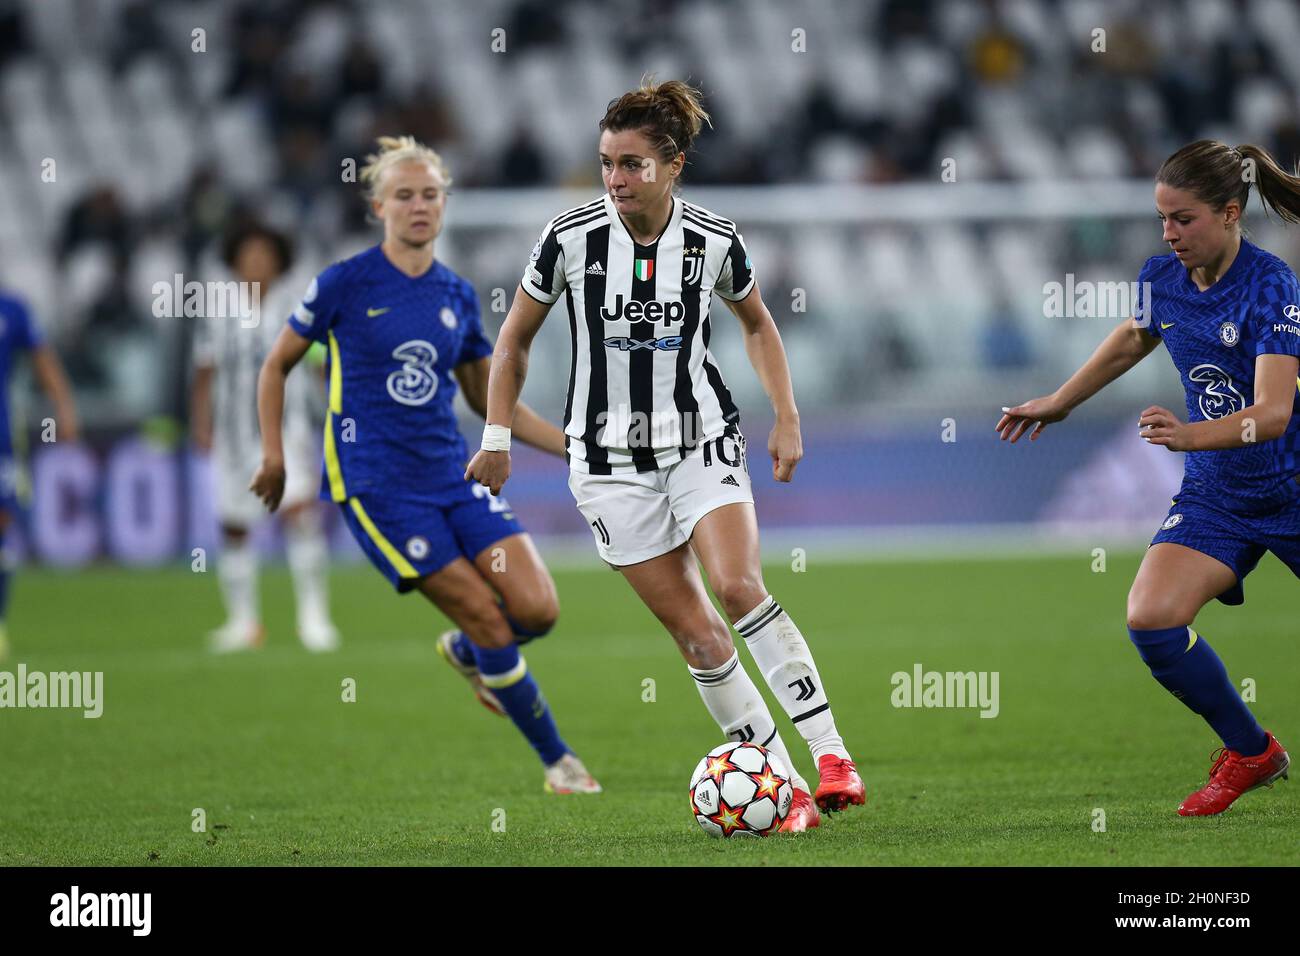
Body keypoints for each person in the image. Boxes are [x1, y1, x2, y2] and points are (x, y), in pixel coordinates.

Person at [466, 79, 862, 832]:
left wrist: (786, 417)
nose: (615, 180)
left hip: (700, 439)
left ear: (672, 166)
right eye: (607, 163)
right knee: (698, 633)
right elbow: (512, 342)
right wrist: (495, 438)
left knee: (738, 585)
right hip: (608, 466)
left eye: (632, 165)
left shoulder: (713, 238)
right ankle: (783, 788)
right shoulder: (569, 239)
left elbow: (757, 325)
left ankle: (832, 754)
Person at [251, 136, 600, 794]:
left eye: (431, 194)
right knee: (490, 617)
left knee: (538, 609)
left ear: (445, 204)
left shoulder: (455, 294)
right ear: (379, 206)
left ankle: (469, 656)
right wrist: (274, 455)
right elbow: (276, 365)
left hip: (453, 477)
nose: (419, 206)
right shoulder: (344, 284)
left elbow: (487, 400)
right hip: (379, 487)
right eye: (404, 195)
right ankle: (559, 762)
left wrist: (579, 448)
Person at [997, 139, 1299, 816]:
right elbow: (1137, 335)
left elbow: (1275, 414)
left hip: (1292, 486)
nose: (1170, 233)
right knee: (1153, 619)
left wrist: (1188, 435)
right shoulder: (1161, 277)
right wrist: (1062, 399)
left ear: (1228, 213)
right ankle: (1252, 752)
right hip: (1220, 494)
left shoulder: (1272, 284)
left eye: (1183, 220)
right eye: (1162, 218)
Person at [192, 223, 339, 652]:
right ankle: (243, 623)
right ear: (235, 261)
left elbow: (316, 362)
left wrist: (332, 407)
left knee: (301, 516)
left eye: (265, 254)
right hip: (233, 435)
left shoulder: (297, 306)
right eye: (249, 254)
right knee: (235, 525)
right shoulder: (218, 309)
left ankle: (314, 619)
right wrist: (202, 423)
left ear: (279, 261)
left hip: (287, 429)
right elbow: (204, 373)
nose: (257, 262)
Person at [0, 289, 79, 661]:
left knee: (2, 522)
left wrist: (63, 407)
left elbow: (42, 360)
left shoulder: (12, 309)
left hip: (1, 435)